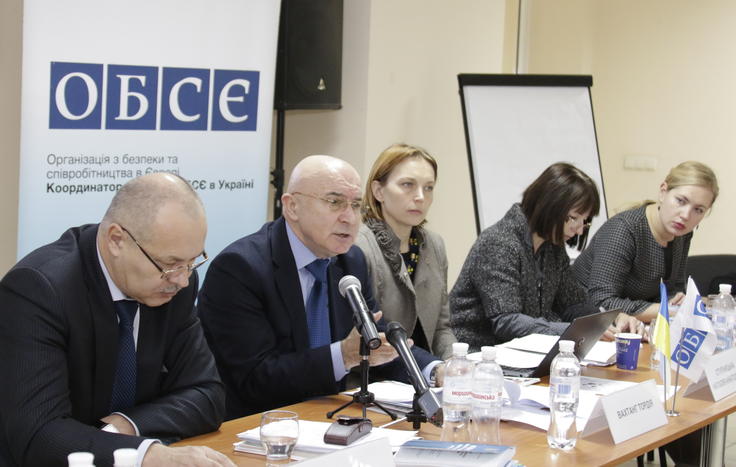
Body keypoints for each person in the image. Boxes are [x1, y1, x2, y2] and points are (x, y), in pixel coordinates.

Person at [0, 174, 233, 467]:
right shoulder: (40, 289)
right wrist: (146, 455)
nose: (182, 280)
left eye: (192, 262)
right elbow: (39, 433)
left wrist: (124, 426)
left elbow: (207, 395)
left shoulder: (175, 285)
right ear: (116, 240)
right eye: (170, 264)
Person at [198, 155, 439, 419]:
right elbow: (254, 378)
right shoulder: (240, 268)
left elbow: (376, 342)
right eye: (334, 202)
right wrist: (343, 355)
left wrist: (436, 371)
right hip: (258, 424)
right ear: (292, 207)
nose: (350, 218)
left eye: (356, 205)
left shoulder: (350, 261)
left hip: (327, 417)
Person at [450, 162, 640, 350]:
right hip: (477, 353)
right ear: (550, 206)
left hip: (523, 352)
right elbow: (506, 322)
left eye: (585, 221)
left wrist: (610, 320)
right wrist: (572, 331)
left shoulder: (552, 246)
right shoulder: (499, 243)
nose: (579, 230)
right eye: (574, 218)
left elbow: (573, 303)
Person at [572, 161, 719, 323]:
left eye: (698, 210)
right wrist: (669, 310)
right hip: (581, 322)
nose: (686, 215)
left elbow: (673, 291)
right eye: (681, 201)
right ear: (663, 192)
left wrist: (681, 302)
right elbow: (601, 302)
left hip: (632, 326)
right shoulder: (624, 229)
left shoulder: (682, 233)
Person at [356, 143, 456, 360]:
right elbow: (372, 336)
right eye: (407, 184)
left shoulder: (434, 245)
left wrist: (455, 364)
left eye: (428, 187)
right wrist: (433, 368)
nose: (420, 196)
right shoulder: (359, 247)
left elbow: (442, 328)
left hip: (428, 370)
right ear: (379, 191)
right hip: (379, 372)